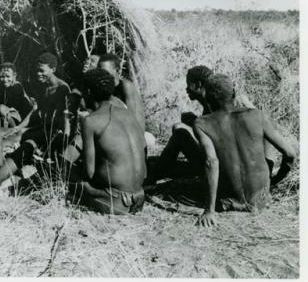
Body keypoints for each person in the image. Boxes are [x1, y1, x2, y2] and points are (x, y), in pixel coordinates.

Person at [193, 74, 296, 227]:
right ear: (234, 93)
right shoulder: (256, 115)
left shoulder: (202, 123)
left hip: (228, 202)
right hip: (261, 201)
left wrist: (209, 210)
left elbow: (211, 162)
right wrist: (275, 181)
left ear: (207, 97)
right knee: (265, 138)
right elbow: (290, 153)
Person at [148, 65, 276, 183]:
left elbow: (263, 130)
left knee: (179, 133)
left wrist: (267, 169)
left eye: (189, 84)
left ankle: (153, 177)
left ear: (198, 84)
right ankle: (159, 170)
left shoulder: (229, 101)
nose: (186, 89)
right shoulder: (212, 103)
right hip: (229, 164)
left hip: (233, 168)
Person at [0, 52, 71, 188]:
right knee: (7, 136)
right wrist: (18, 127)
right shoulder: (43, 86)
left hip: (52, 132)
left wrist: (28, 131)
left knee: (19, 142)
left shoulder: (62, 89)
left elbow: (64, 120)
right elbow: (36, 111)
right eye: (37, 70)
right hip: (40, 128)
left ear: (53, 69)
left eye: (42, 70)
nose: (38, 74)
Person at [67, 69, 146, 215]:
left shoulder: (91, 121)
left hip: (115, 202)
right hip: (139, 198)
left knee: (67, 170)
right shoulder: (128, 113)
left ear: (88, 92)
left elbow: (89, 173)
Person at [97, 53, 147, 155]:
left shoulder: (125, 86)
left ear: (118, 71)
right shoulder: (105, 89)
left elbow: (133, 124)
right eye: (99, 72)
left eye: (105, 72)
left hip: (134, 146)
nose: (102, 76)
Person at [0, 62, 33, 128]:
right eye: (2, 77)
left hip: (21, 118)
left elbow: (13, 107)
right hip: (11, 115)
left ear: (14, 75)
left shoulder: (17, 88)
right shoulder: (2, 87)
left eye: (8, 76)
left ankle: (14, 130)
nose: (5, 80)